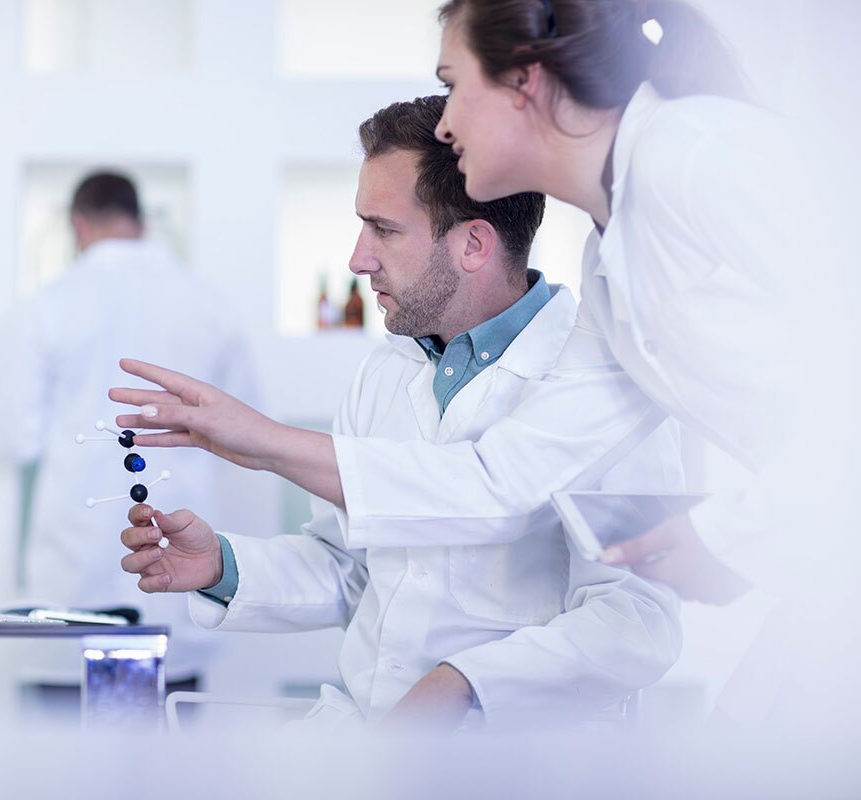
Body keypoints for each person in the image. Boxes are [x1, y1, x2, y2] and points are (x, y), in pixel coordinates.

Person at [111, 1, 855, 724]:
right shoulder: (610, 264)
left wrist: (731, 533)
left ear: (523, 79)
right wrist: (230, 552)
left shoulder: (699, 155)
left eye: (452, 82)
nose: (446, 120)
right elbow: (497, 485)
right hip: (818, 574)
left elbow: (840, 382)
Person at [117, 96, 684, 730]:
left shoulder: (602, 376)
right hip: (362, 737)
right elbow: (352, 567)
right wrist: (223, 566)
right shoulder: (388, 370)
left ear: (473, 243)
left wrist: (469, 680)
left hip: (513, 758)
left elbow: (635, 620)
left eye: (383, 229)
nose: (357, 259)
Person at [0, 170, 258, 692]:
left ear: (77, 225)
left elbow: (13, 437)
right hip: (178, 576)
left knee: (66, 767)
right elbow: (247, 434)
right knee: (166, 763)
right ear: (139, 221)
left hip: (75, 581)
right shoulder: (210, 307)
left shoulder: (49, 306)